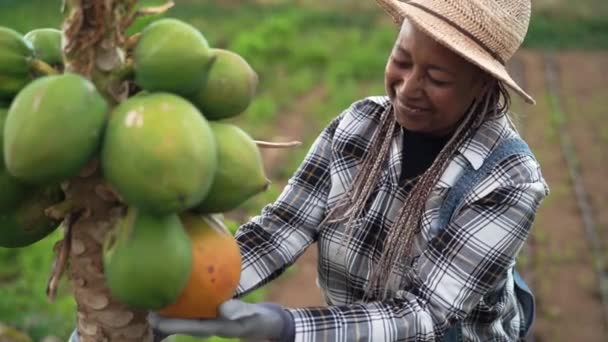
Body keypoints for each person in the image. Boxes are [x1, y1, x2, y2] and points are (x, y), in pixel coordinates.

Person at [74, 0, 550, 341]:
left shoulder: (507, 179)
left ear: (483, 86)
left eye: (438, 78)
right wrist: (175, 293)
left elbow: (426, 314)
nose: (407, 88)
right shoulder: (360, 125)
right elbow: (282, 229)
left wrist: (285, 327)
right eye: (401, 61)